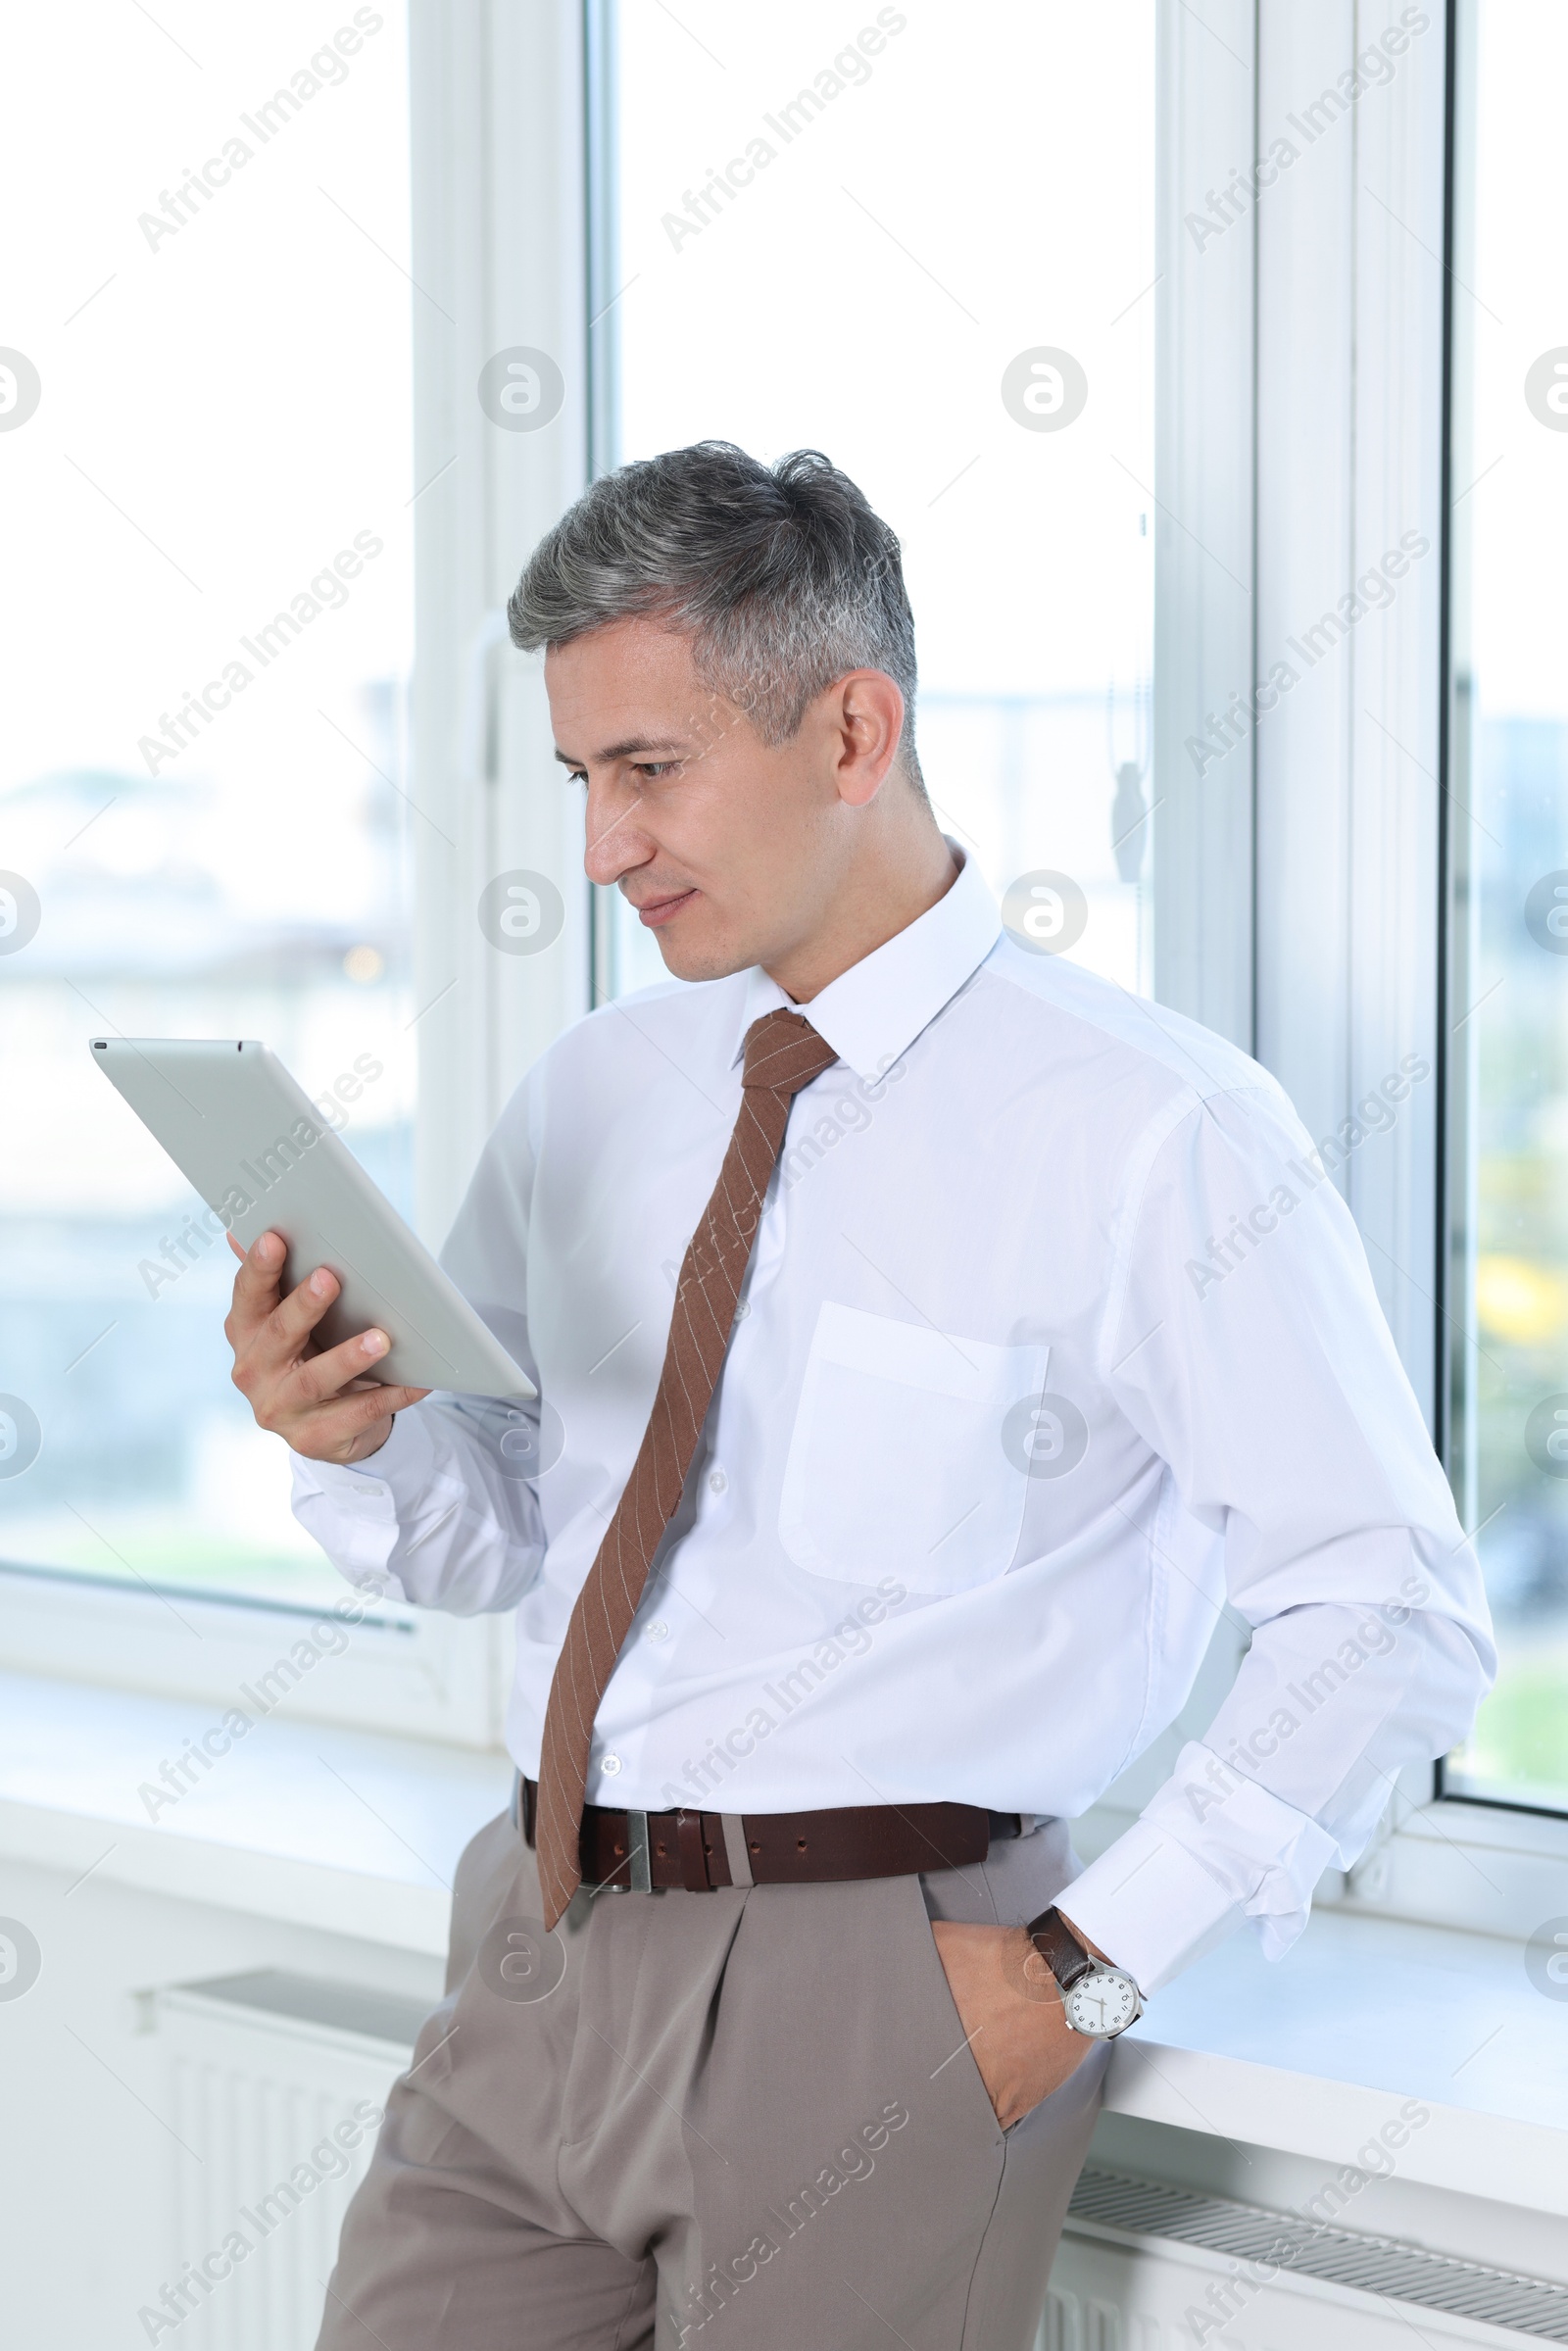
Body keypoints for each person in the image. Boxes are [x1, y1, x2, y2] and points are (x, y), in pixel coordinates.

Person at [224, 442, 1494, 2351]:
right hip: (538, 1930)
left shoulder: (1154, 1133)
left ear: (847, 727)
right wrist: (358, 1429)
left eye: (646, 772)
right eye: (580, 780)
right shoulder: (597, 1090)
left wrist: (1074, 1974)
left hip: (879, 1985)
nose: (599, 848)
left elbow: (1384, 1612)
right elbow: (509, 1536)